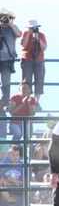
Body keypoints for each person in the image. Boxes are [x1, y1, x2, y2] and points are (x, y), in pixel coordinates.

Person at [0, 8, 22, 141]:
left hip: (7, 61)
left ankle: (4, 101)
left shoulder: (12, 29)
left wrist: (10, 25)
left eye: (7, 17)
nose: (4, 19)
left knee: (6, 83)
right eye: (2, 17)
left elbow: (19, 34)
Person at [20, 19, 47, 108]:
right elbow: (23, 44)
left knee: (39, 80)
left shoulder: (41, 35)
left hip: (39, 60)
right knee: (26, 80)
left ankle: (36, 102)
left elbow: (44, 48)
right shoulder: (25, 34)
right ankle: (26, 100)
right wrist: (28, 33)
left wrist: (38, 38)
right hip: (27, 59)